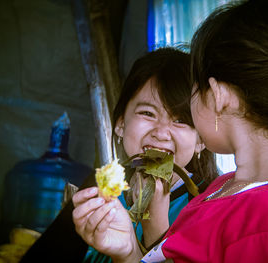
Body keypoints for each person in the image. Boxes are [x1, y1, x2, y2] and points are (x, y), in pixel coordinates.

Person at [73, 0, 268, 262]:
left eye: (193, 89)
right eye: (148, 113)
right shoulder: (226, 187)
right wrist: (129, 252)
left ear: (218, 95)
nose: (162, 132)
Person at [80, 47, 219, 263]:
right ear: (120, 124)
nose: (161, 133)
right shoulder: (95, 193)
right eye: (147, 113)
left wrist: (155, 227)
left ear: (200, 140)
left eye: (181, 120)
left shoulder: (211, 208)